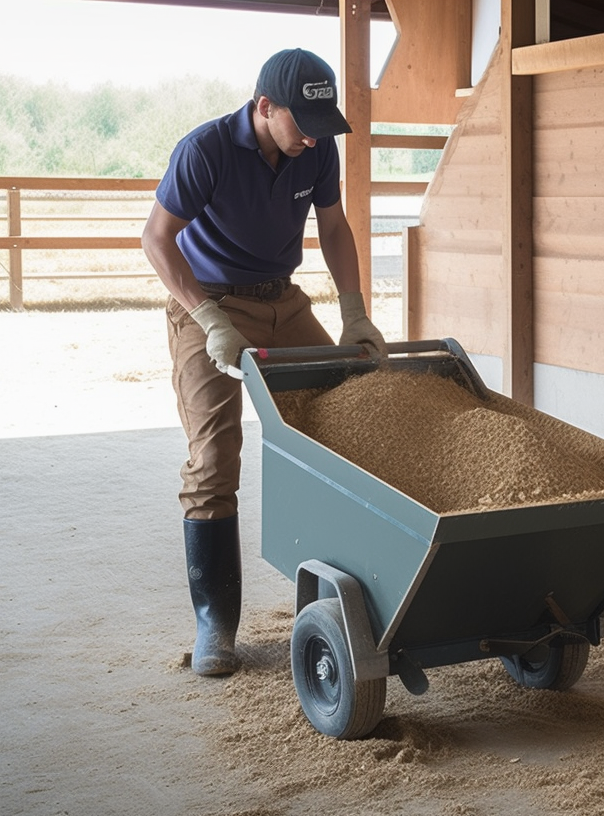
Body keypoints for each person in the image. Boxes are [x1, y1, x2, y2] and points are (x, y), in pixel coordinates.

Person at [141, 48, 386, 677]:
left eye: (320, 122)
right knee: (214, 460)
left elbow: (333, 228)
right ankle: (215, 626)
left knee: (346, 421)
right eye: (300, 120)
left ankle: (356, 593)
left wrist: (354, 312)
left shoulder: (317, 145)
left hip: (281, 299)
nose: (311, 134)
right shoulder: (206, 151)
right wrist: (208, 319)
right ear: (264, 106)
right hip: (209, 305)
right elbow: (156, 239)